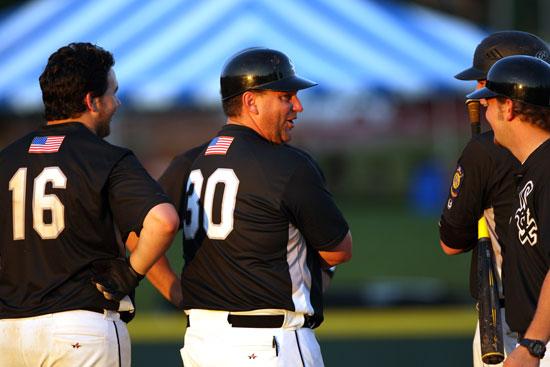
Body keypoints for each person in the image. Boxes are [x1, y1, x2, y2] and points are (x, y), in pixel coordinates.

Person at [155, 47, 352, 367]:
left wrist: (175, 291)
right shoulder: (290, 164)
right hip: (269, 345)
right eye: (286, 96)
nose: (298, 106)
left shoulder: (188, 162)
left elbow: (138, 236)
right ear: (250, 101)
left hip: (201, 343)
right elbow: (339, 251)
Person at [0, 42, 179, 367]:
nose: (117, 102)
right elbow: (162, 221)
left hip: (9, 332)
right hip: (81, 329)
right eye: (112, 92)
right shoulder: (107, 156)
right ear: (91, 101)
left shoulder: (5, 158)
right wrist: (130, 272)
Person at [438, 31, 550, 367]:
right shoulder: (529, 159)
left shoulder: (487, 151)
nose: (478, 97)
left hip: (517, 324)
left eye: (488, 85)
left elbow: (451, 242)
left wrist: (532, 345)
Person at [466, 55, 550, 367]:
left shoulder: (546, 170)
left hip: (540, 343)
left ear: (509, 107)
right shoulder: (532, 170)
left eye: (488, 104)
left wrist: (532, 345)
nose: (484, 114)